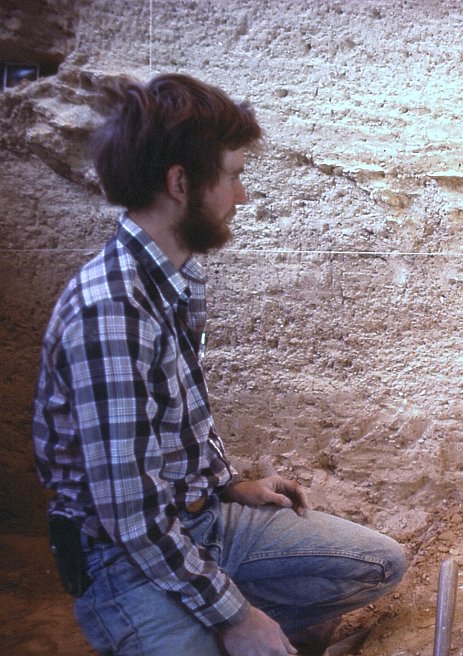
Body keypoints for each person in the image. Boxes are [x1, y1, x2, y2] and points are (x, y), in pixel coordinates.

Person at [32, 73, 407, 656]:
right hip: (125, 560)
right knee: (238, 632)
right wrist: (238, 617)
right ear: (181, 183)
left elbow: (173, 418)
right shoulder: (111, 310)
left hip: (200, 522)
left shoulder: (179, 277)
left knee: (377, 564)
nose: (242, 196)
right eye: (233, 176)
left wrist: (230, 484)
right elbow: (131, 520)